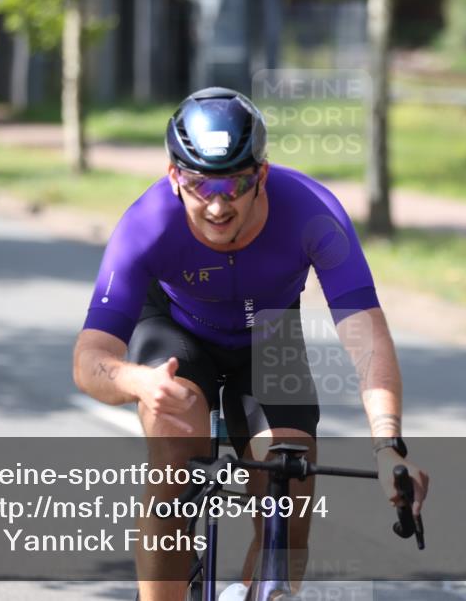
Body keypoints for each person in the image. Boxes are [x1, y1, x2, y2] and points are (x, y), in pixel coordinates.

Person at [72, 87, 429, 601]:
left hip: (268, 333)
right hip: (176, 332)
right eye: (198, 185)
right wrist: (135, 381)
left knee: (289, 479)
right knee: (176, 447)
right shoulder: (146, 225)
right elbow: (89, 359)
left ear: (260, 173)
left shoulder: (311, 211)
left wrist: (388, 446)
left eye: (235, 185)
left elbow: (365, 334)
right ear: (174, 176)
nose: (217, 206)